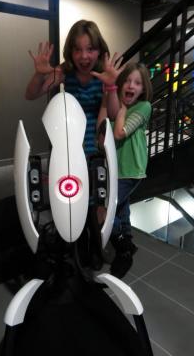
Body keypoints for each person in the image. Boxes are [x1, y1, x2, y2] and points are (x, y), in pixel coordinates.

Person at [26, 20, 123, 270]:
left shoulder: (103, 75)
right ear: (70, 51)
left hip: (92, 153)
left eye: (90, 49)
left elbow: (112, 113)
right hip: (65, 151)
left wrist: (112, 85)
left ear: (98, 50)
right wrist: (40, 73)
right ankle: (70, 257)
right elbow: (32, 93)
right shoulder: (63, 72)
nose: (84, 55)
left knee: (94, 207)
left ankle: (93, 253)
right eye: (78, 49)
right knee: (67, 203)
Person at [97, 61, 153, 278]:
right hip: (115, 169)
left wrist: (120, 108)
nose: (131, 85)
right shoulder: (115, 106)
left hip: (131, 170)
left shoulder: (143, 107)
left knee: (104, 210)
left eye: (137, 83)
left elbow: (119, 133)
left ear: (143, 88)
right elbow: (101, 137)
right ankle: (127, 245)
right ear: (119, 85)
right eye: (127, 81)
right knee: (121, 210)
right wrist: (106, 97)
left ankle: (122, 249)